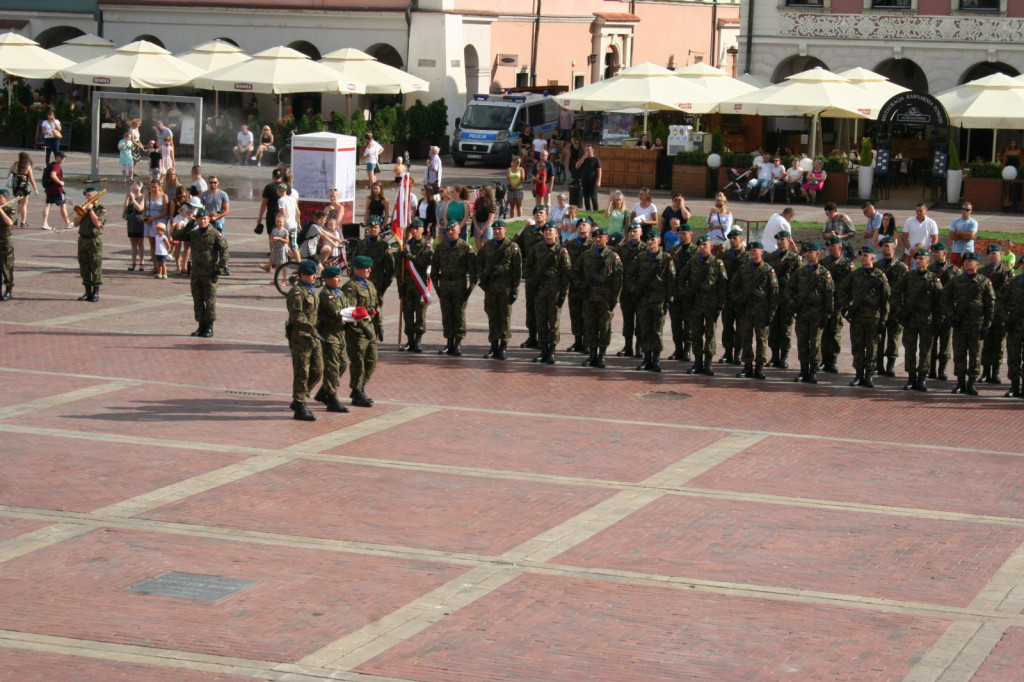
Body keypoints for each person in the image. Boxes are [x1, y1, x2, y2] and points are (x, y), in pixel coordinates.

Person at [891, 248, 944, 392]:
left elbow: (940, 301)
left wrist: (938, 319)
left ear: (928, 261)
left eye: (922, 258)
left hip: (927, 320)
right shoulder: (908, 277)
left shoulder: (934, 279)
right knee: (910, 349)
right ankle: (911, 377)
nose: (919, 261)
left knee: (925, 350)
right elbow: (895, 292)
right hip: (911, 319)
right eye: (917, 258)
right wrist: (899, 310)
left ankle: (922, 378)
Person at [839, 246, 891, 388]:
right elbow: (842, 290)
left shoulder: (880, 276)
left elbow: (886, 299)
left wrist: (884, 319)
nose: (862, 258)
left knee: (872, 346)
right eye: (861, 255)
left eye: (866, 255)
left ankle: (869, 375)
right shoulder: (855, 275)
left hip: (873, 317)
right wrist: (847, 306)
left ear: (873, 257)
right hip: (857, 316)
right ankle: (858, 374)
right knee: (857, 346)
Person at [944, 251, 996, 395]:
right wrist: (951, 315)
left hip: (976, 324)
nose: (967, 263)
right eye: (965, 261)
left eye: (970, 261)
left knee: (975, 354)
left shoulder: (984, 282)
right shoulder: (956, 280)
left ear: (977, 264)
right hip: (960, 324)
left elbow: (990, 305)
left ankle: (972, 382)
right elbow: (945, 297)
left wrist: (987, 325)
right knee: (959, 353)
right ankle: (960, 382)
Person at [173, 208, 229, 338]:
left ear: (208, 219)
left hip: (210, 272)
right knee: (197, 300)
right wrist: (189, 225)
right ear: (197, 220)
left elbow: (224, 252)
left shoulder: (215, 234)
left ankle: (209, 327)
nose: (203, 221)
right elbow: (176, 236)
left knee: (209, 301)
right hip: (196, 272)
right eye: (200, 219)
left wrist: (219, 269)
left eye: (205, 219)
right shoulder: (194, 233)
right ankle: (201, 326)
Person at [679, 235, 728, 375]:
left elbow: (723, 285)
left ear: (711, 246)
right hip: (695, 304)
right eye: (700, 245)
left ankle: (708, 363)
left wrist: (720, 304)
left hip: (711, 305)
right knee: (696, 334)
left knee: (710, 334)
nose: (702, 247)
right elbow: (681, 278)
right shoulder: (693, 261)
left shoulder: (718, 263)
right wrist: (685, 294)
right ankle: (697, 362)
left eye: (705, 245)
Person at [524, 220, 570, 364]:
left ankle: (551, 351)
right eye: (546, 231)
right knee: (541, 322)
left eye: (551, 230)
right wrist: (531, 282)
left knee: (553, 322)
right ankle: (542, 351)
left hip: (554, 293)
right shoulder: (536, 248)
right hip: (539, 291)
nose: (548, 232)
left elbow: (566, 273)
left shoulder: (561, 251)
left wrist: (563, 293)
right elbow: (528, 266)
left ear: (557, 234)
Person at [732, 240, 779, 379]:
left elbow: (774, 294)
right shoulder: (743, 268)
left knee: (761, 340)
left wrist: (771, 313)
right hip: (746, 311)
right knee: (745, 338)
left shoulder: (768, 270)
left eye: (755, 251)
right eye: (750, 251)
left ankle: (759, 367)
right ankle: (747, 366)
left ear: (761, 252)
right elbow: (733, 286)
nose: (752, 253)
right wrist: (738, 299)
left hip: (761, 312)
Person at [577, 227, 623, 368]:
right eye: (596, 237)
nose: (598, 239)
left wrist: (615, 298)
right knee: (590, 327)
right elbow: (574, 271)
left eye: (601, 237)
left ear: (607, 239)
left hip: (605, 299)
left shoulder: (612, 257)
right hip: (589, 298)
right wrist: (580, 284)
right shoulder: (586, 255)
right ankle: (592, 355)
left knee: (604, 328)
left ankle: (602, 355)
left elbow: (618, 279)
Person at [789, 241, 834, 384]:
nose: (808, 254)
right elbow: (789, 289)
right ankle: (803, 370)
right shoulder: (800, 272)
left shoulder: (824, 274)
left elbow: (829, 296)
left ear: (818, 254)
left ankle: (813, 371)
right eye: (806, 252)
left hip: (817, 314)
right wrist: (793, 303)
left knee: (815, 343)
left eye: (811, 252)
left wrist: (827, 314)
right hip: (802, 313)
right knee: (802, 343)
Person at [627, 230, 673, 372]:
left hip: (659, 300)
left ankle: (656, 359)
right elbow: (629, 275)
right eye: (648, 239)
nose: (650, 242)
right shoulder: (640, 257)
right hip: (644, 300)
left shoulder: (666, 258)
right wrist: (635, 289)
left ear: (659, 241)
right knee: (645, 329)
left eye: (653, 239)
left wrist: (668, 300)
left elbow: (671, 281)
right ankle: (646, 358)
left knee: (657, 330)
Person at [431, 219, 477, 356]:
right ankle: (449, 342)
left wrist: (469, 290)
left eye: (453, 230)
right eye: (448, 230)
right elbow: (434, 270)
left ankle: (458, 343)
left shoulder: (465, 248)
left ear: (459, 231)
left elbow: (473, 272)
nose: (451, 232)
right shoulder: (440, 247)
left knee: (459, 314)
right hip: (445, 285)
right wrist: (437, 288)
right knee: (446, 314)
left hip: (459, 285)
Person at [477, 219, 522, 360]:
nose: (497, 231)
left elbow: (517, 271)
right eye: (495, 229)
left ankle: (503, 346)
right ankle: (493, 345)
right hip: (491, 288)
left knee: (504, 317)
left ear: (505, 230)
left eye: (500, 229)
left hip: (505, 289)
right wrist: (482, 277)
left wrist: (515, 290)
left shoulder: (512, 247)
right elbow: (479, 262)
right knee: (492, 316)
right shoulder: (488, 246)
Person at [286, 259, 323, 422]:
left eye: (314, 273)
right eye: (310, 274)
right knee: (302, 372)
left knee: (317, 370)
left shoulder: (311, 290)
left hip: (313, 338)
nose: (314, 276)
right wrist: (312, 328)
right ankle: (300, 405)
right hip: (301, 337)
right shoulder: (297, 292)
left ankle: (299, 397)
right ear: (302, 275)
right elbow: (297, 316)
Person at [312, 264, 351, 415]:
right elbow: (337, 313)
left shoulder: (339, 293)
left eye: (340, 276)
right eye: (336, 277)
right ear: (327, 279)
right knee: (333, 368)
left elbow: (347, 308)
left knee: (342, 364)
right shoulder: (326, 295)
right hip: (329, 335)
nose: (339, 279)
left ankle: (324, 392)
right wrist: (353, 314)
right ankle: (332, 398)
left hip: (340, 334)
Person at [344, 255, 380, 408]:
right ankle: (357, 391)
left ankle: (360, 387)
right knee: (358, 362)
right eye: (366, 268)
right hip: (357, 332)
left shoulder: (369, 285)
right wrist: (364, 326)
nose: (369, 270)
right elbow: (351, 311)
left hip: (370, 330)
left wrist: (380, 324)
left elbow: (376, 306)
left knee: (372, 360)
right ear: (357, 269)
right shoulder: (350, 287)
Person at [351, 217, 395, 342]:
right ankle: (363, 334)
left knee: (376, 309)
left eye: (375, 227)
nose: (373, 229)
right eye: (370, 227)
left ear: (379, 228)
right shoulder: (362, 244)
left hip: (377, 283)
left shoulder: (384, 245)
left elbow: (390, 268)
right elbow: (354, 262)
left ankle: (376, 333)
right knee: (361, 307)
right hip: (360, 283)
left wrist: (384, 285)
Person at [396, 218, 434, 353]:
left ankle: (418, 341)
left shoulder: (426, 246)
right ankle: (409, 340)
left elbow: (424, 262)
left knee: (420, 314)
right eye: (413, 228)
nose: (415, 230)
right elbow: (398, 268)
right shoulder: (405, 246)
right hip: (407, 285)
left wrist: (409, 256)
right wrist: (400, 285)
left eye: (418, 228)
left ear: (423, 230)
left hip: (420, 286)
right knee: (407, 313)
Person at [766, 229, 801, 369]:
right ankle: (774, 356)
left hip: (787, 299)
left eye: (783, 239)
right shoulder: (770, 258)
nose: (780, 242)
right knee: (773, 327)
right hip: (774, 298)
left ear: (788, 241)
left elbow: (799, 279)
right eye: (778, 239)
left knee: (785, 328)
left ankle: (784, 356)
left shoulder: (794, 258)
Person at [820, 236, 855, 373]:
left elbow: (852, 285)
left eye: (833, 246)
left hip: (838, 303)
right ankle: (824, 359)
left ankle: (833, 360)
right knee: (823, 332)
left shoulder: (847, 264)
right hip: (825, 302)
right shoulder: (823, 263)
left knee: (835, 332)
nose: (830, 248)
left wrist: (847, 303)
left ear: (840, 247)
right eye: (829, 246)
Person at [928, 242, 961, 381]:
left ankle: (942, 369)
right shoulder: (929, 269)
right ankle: (931, 370)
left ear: (944, 253)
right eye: (933, 252)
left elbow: (959, 291)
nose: (935, 254)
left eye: (938, 252)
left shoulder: (954, 271)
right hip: (933, 310)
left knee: (945, 342)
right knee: (931, 342)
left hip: (947, 311)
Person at [515, 205, 548, 348]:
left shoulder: (550, 231)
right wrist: (523, 262)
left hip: (546, 276)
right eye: (536, 213)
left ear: (546, 216)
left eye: (541, 213)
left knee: (544, 307)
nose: (538, 215)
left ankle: (544, 337)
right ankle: (532, 336)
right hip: (531, 274)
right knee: (531, 306)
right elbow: (518, 246)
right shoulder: (528, 231)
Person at [875, 236, 908, 377]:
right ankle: (878, 364)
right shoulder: (876, 266)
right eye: (882, 246)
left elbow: (906, 289)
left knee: (893, 338)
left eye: (887, 246)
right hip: (880, 308)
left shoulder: (901, 267)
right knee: (878, 338)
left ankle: (890, 365)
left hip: (895, 308)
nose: (885, 248)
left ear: (894, 247)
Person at [980, 243, 1011, 384]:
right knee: (986, 343)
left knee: (998, 344)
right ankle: (985, 372)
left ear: (1001, 254)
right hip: (986, 313)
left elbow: (1008, 293)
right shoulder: (982, 271)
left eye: (995, 253)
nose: (992, 256)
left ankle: (996, 372)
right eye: (990, 253)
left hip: (1000, 313)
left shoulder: (1007, 272)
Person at [718, 228, 749, 365]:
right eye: (730, 238)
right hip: (728, 296)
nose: (732, 240)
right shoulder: (725, 256)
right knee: (728, 326)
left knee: (741, 327)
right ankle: (728, 352)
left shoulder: (747, 257)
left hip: (741, 297)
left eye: (735, 238)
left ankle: (738, 353)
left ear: (742, 239)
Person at [563, 217, 594, 354]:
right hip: (575, 284)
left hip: (589, 286)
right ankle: (578, 341)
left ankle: (588, 342)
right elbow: (567, 264)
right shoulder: (571, 244)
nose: (581, 226)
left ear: (590, 228)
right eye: (579, 224)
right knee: (575, 314)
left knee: (587, 315)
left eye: (584, 224)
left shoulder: (593, 245)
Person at [667, 225, 698, 362]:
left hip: (689, 293)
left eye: (684, 233)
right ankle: (678, 348)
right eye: (679, 233)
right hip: (675, 292)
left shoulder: (696, 252)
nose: (681, 236)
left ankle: (687, 349)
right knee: (676, 323)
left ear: (691, 235)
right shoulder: (674, 250)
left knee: (689, 323)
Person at [615, 220, 645, 358]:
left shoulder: (645, 248)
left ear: (641, 233)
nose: (633, 234)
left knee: (640, 319)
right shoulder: (622, 249)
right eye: (631, 231)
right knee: (627, 320)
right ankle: (627, 346)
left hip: (640, 290)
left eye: (636, 231)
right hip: (626, 289)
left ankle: (639, 347)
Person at [1001, 261, 1024, 397]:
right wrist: (1005, 317)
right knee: (1013, 357)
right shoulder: (1012, 283)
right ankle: (1014, 386)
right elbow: (1000, 300)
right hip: (1015, 326)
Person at [40, 151, 69, 231]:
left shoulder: (50, 165)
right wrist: (60, 182)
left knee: (48, 205)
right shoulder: (57, 166)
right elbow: (53, 175)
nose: (63, 159)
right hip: (57, 189)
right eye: (61, 157)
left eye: (64, 158)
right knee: (63, 205)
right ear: (57, 157)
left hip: (49, 188)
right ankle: (67, 222)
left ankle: (45, 223)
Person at [7, 152, 37, 228]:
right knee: (24, 205)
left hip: (16, 187)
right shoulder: (28, 166)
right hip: (25, 187)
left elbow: (9, 174)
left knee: (19, 204)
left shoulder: (15, 164)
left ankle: (15, 219)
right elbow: (31, 179)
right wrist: (35, 189)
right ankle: (23, 222)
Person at [124, 181, 146, 271]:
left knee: (140, 242)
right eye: (132, 186)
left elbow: (140, 208)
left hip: (139, 220)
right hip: (131, 221)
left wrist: (133, 200)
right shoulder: (130, 196)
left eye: (135, 186)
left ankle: (142, 262)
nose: (133, 187)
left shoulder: (143, 197)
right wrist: (127, 198)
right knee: (133, 243)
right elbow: (125, 208)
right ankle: (133, 263)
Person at [948, 203, 978, 268]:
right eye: (963, 209)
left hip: (968, 250)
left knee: (969, 270)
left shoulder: (973, 222)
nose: (965, 211)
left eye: (967, 210)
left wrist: (957, 232)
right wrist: (966, 235)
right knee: (953, 270)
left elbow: (971, 235)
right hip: (956, 250)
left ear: (971, 211)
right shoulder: (955, 221)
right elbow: (951, 236)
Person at [575, 144, 602, 211]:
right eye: (586, 150)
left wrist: (599, 180)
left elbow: (599, 170)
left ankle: (596, 210)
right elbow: (577, 166)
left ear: (592, 150)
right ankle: (588, 210)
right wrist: (583, 158)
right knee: (586, 197)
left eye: (589, 150)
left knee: (593, 196)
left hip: (593, 181)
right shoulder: (583, 159)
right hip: (584, 180)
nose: (587, 151)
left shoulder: (596, 159)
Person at [0, 189, 16, 300]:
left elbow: (10, 223)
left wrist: (0, 211)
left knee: (6, 265)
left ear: (6, 198)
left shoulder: (10, 209)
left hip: (6, 241)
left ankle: (9, 289)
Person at [472, 185, 496, 251]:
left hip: (487, 225)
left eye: (482, 191)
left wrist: (482, 229)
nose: (480, 193)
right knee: (479, 248)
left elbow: (490, 218)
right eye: (480, 191)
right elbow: (474, 215)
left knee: (487, 247)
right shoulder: (477, 201)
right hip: (477, 223)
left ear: (487, 192)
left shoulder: (492, 202)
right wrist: (477, 227)